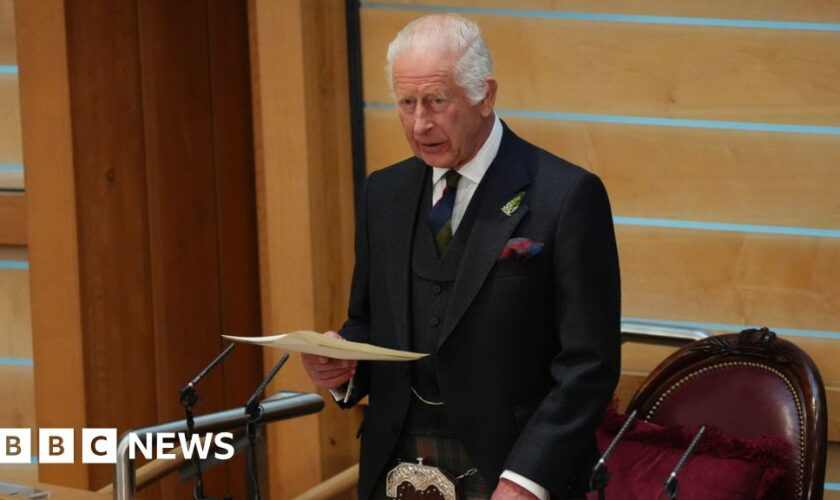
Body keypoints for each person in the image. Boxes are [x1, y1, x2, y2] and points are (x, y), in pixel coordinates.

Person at [302, 13, 620, 500]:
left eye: (436, 101)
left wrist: (527, 480)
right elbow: (367, 324)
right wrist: (341, 367)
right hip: (394, 470)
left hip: (508, 476)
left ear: (484, 95)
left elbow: (589, 364)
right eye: (406, 103)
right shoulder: (383, 193)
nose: (420, 122)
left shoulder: (566, 196)